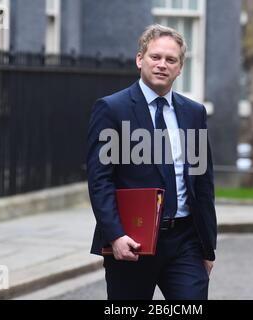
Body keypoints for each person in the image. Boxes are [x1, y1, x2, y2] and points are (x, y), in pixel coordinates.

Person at [86, 24, 217, 300]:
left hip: (185, 242)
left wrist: (208, 247)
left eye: (171, 60)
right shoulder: (112, 109)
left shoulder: (194, 113)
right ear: (139, 60)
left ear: (180, 67)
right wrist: (115, 235)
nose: (162, 65)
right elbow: (101, 180)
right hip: (133, 241)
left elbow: (203, 182)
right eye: (155, 57)